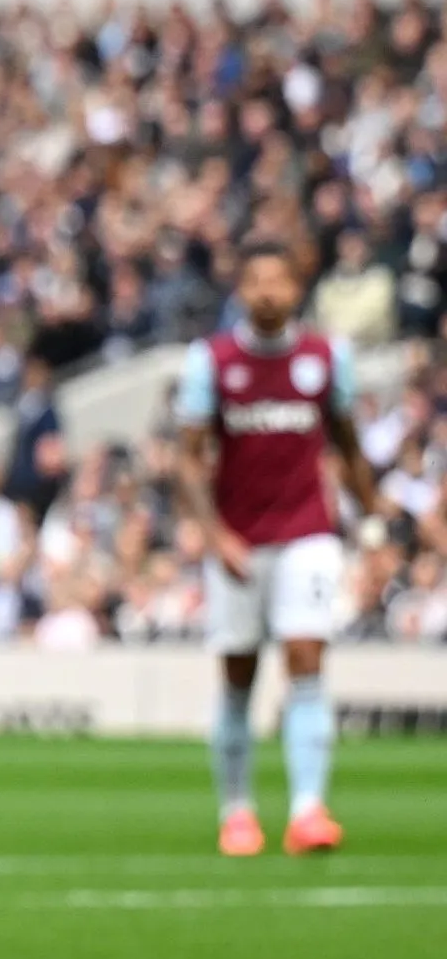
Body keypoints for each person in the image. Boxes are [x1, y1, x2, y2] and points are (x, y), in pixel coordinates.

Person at [173, 240, 387, 858]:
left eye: (280, 279)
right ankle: (237, 812)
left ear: (298, 288)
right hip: (239, 539)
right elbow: (188, 464)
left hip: (307, 532)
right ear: (240, 288)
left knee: (305, 661)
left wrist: (370, 520)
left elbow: (347, 444)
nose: (268, 290)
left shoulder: (326, 357)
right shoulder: (210, 361)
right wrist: (217, 537)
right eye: (256, 278)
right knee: (239, 675)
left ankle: (308, 811)